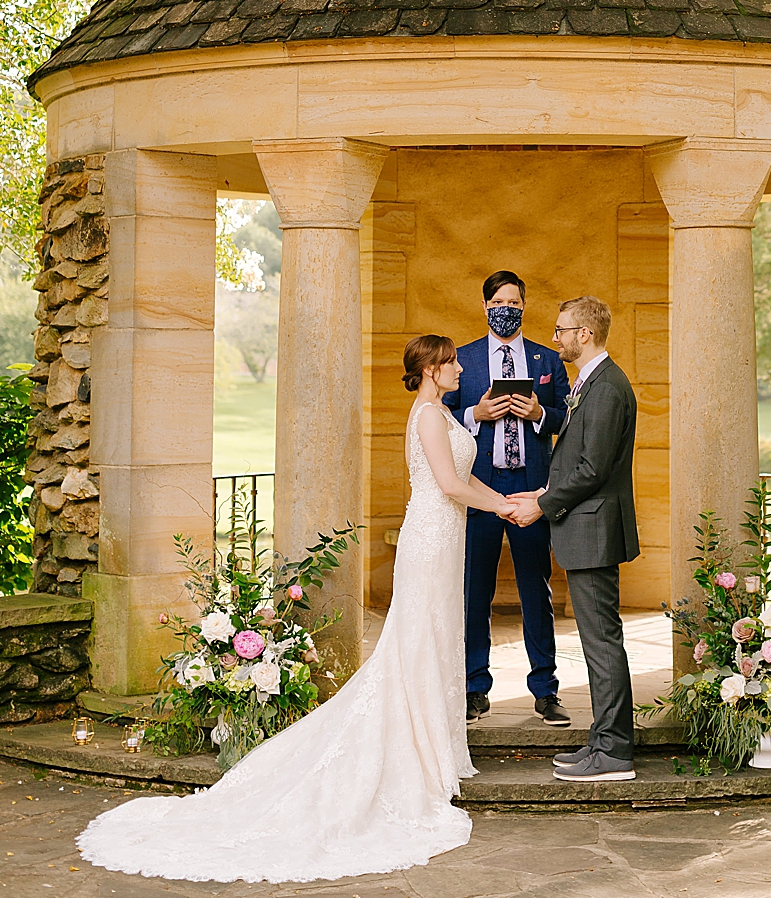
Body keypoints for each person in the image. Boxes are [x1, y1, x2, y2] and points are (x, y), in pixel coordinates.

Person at [78, 336, 510, 882]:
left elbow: (462, 478)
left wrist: (500, 501)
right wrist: (504, 504)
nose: (459, 367)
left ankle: (436, 750)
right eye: (450, 362)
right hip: (430, 536)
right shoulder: (427, 416)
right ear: (429, 369)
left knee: (437, 635)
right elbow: (448, 484)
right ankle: (420, 759)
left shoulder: (443, 414)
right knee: (418, 637)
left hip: (446, 536)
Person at [506, 295, 639, 782]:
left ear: (585, 334)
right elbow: (579, 462)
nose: (555, 336)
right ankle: (603, 740)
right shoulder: (594, 382)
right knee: (597, 641)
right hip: (585, 525)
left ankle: (615, 752)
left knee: (601, 642)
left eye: (562, 329)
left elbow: (592, 468)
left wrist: (542, 505)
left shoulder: (606, 388)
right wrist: (543, 489)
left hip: (593, 530)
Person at [445, 270, 569, 725]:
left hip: (532, 489)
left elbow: (567, 421)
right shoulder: (463, 359)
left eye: (515, 303)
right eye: (499, 301)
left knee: (536, 589)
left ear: (524, 306)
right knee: (474, 589)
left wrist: (540, 413)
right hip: (479, 488)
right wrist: (474, 413)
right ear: (484, 306)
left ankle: (545, 689)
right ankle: (475, 687)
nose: (507, 309)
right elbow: (440, 421)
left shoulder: (547, 360)